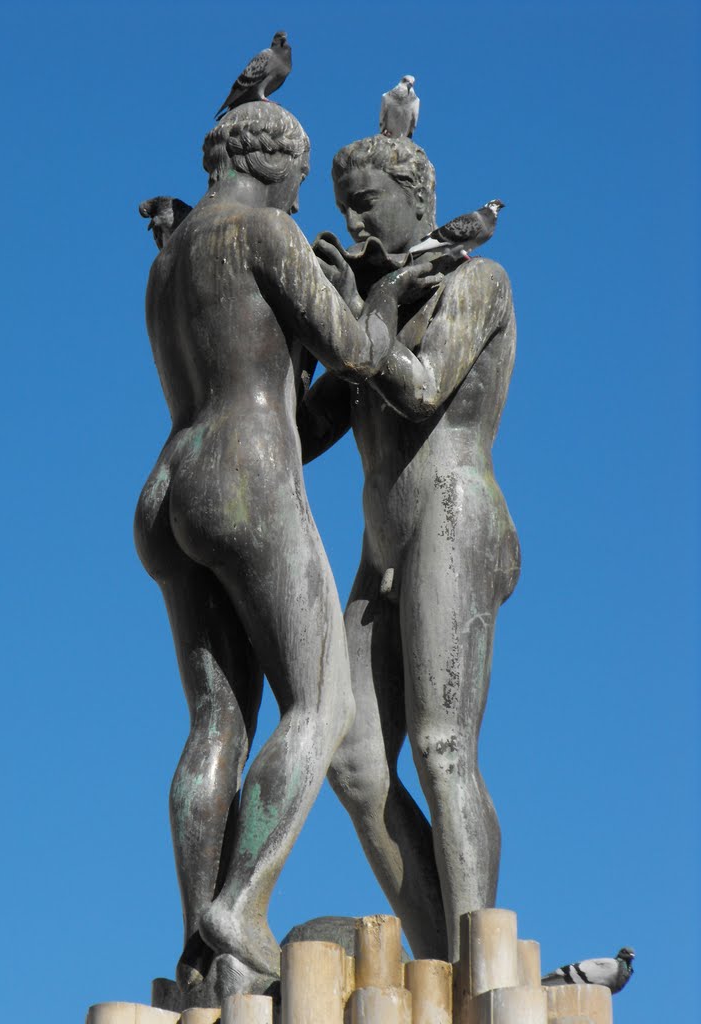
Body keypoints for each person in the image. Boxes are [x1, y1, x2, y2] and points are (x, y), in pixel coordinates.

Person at [134, 106, 438, 1003]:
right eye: (304, 179)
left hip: (168, 483)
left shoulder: (169, 258)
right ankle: (241, 905)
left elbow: (266, 369)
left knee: (215, 723)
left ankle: (200, 948)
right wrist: (376, 297)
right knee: (322, 701)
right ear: (275, 163)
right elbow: (354, 353)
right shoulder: (263, 231)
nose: (311, 199)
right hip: (247, 472)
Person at [300, 135, 520, 961]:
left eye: (369, 202)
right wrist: (295, 335)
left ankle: (480, 963)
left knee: (440, 744)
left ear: (420, 202)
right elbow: (297, 432)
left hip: (454, 516)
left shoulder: (477, 282)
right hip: (382, 541)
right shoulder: (369, 320)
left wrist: (368, 311)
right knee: (353, 764)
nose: (353, 220)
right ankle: (438, 960)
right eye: (344, 206)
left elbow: (422, 384)